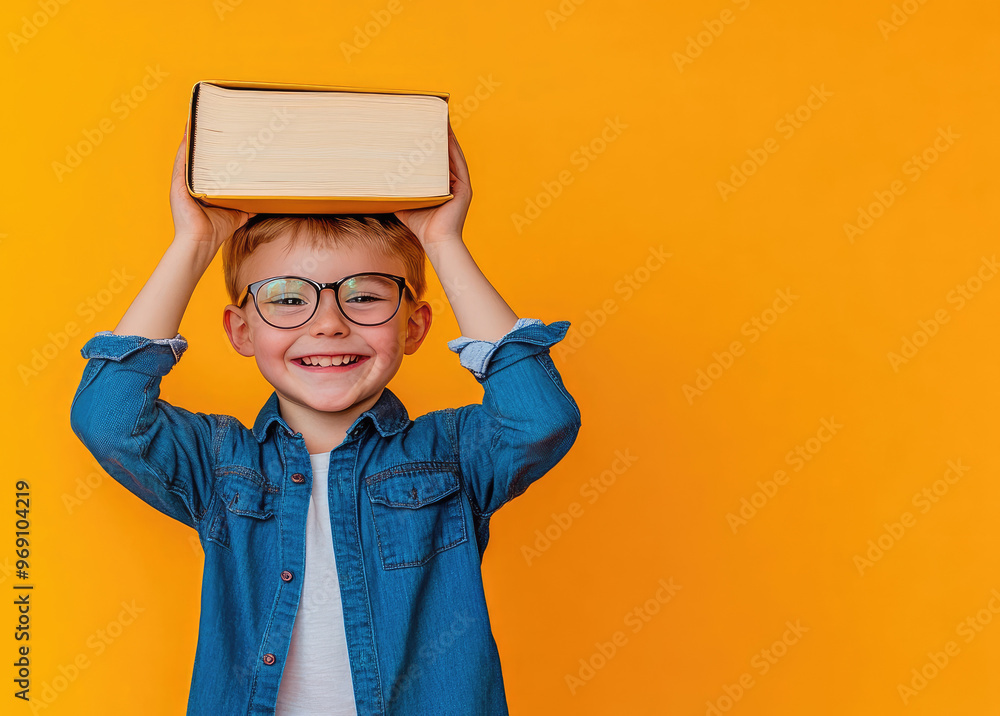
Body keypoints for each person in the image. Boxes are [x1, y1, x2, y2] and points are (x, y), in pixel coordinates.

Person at [69, 119, 582, 715]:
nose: (328, 323)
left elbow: (540, 418)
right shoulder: (221, 464)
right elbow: (107, 417)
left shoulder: (451, 454)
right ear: (241, 331)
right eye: (287, 298)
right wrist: (195, 244)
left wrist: (443, 242)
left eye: (365, 295)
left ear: (413, 327)